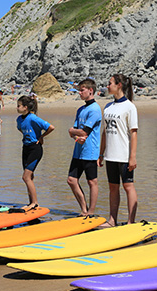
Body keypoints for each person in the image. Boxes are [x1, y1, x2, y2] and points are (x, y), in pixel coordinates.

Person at [98, 74, 138, 227]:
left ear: (119, 85)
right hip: (110, 155)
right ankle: (112, 220)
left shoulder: (129, 107)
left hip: (124, 154)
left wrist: (132, 157)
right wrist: (101, 154)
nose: (107, 86)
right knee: (113, 187)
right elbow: (105, 132)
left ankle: (130, 221)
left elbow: (133, 133)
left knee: (128, 186)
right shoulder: (108, 106)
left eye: (110, 84)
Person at [67, 79, 102, 216]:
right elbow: (75, 132)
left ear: (90, 91)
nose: (79, 93)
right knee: (71, 180)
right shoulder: (81, 109)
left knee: (92, 181)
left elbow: (84, 131)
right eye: (79, 90)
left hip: (90, 151)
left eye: (82, 90)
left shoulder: (95, 109)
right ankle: (84, 209)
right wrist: (75, 136)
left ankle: (91, 212)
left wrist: (73, 132)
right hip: (78, 151)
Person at [17, 94, 55, 210]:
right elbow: (20, 129)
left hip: (35, 149)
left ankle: (35, 203)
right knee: (30, 177)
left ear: (26, 108)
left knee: (26, 177)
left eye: (19, 106)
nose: (17, 108)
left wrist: (41, 136)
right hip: (26, 148)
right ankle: (31, 203)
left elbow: (51, 127)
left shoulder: (33, 118)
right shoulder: (18, 119)